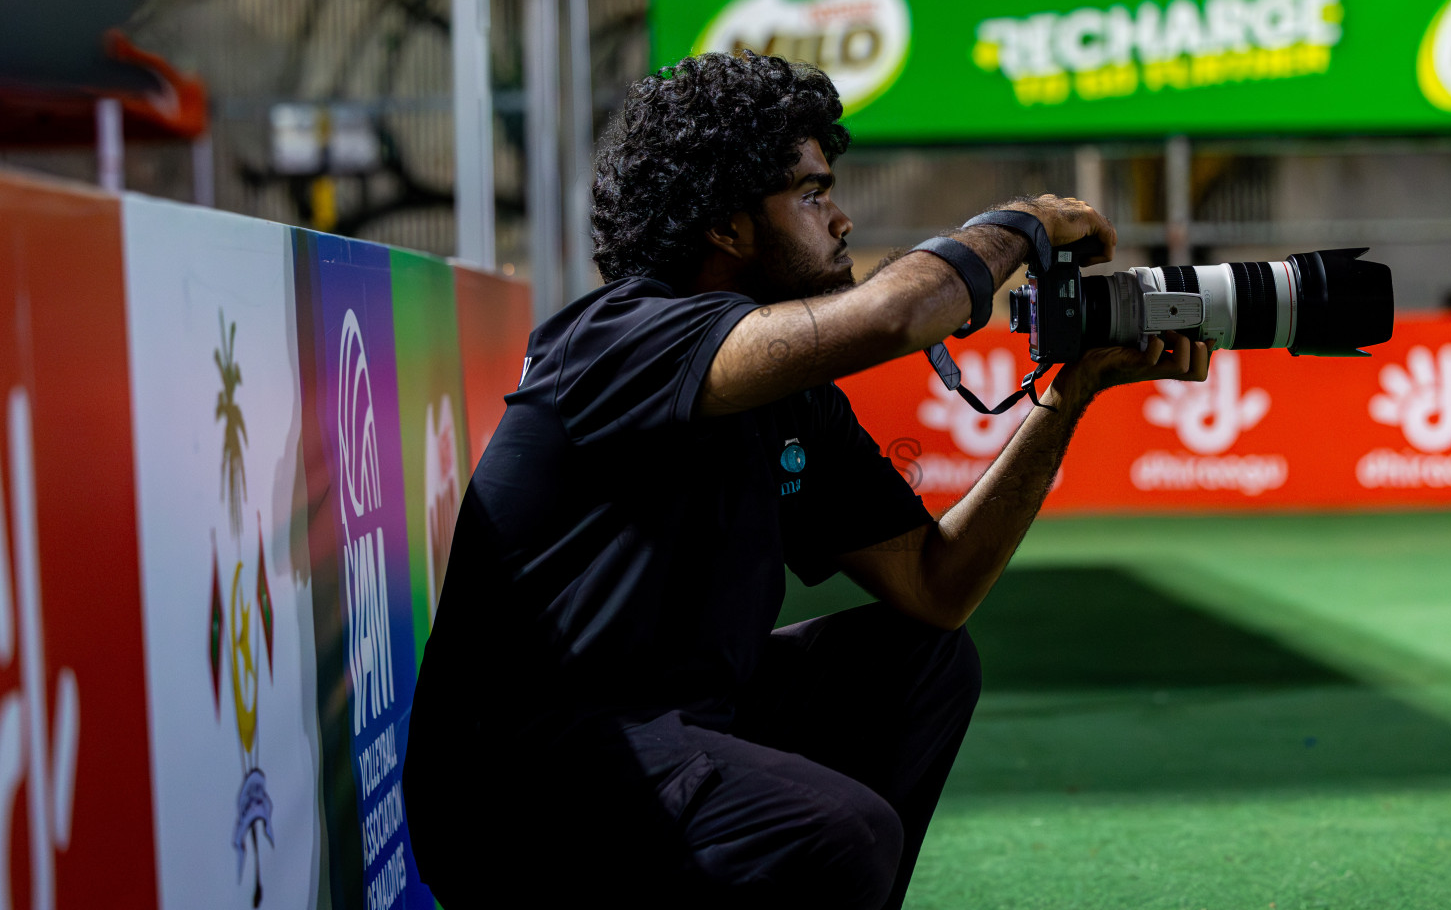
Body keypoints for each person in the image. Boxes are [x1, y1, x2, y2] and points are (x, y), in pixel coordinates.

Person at [403, 52, 1210, 908]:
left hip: (671, 734)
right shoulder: (619, 336)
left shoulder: (788, 396)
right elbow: (900, 312)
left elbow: (934, 586)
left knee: (925, 660)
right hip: (523, 784)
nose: (842, 219)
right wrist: (1022, 222)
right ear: (725, 224)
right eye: (812, 194)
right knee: (839, 830)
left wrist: (1068, 395)